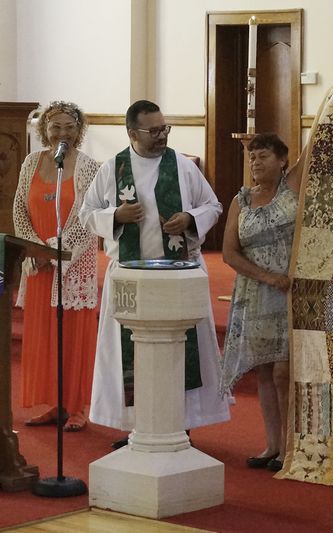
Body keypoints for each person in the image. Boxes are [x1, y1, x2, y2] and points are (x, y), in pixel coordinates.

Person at [79, 100, 229, 444]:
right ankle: (138, 425)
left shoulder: (181, 165)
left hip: (178, 274)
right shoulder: (114, 169)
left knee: (181, 349)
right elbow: (87, 212)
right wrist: (115, 216)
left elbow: (213, 205)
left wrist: (190, 219)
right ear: (132, 133)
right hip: (131, 278)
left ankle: (180, 422)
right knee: (131, 351)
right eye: (154, 130)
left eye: (165, 128)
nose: (162, 136)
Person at [12, 101, 99, 432]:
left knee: (71, 332)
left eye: (69, 126)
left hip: (71, 260)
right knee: (45, 333)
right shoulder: (31, 161)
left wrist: (55, 250)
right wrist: (35, 250)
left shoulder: (88, 166)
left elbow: (85, 217)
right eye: (55, 127)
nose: (62, 133)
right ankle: (54, 403)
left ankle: (76, 406)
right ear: (44, 130)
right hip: (39, 262)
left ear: (79, 130)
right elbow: (20, 207)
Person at [220, 133, 302, 472]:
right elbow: (228, 253)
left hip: (289, 292)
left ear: (283, 160)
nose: (256, 162)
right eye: (252, 157)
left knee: (285, 371)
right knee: (266, 371)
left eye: (264, 156)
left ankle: (290, 449)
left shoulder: (292, 189)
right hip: (256, 290)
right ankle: (271, 444)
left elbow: (312, 148)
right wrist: (266, 277)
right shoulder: (241, 199)